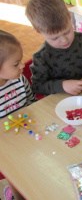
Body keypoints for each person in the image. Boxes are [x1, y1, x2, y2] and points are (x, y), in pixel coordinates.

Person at [25, 0, 82, 96]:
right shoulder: (41, 57)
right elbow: (37, 86)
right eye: (55, 38)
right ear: (38, 31)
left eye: (67, 32)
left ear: (69, 17)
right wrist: (62, 86)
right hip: (63, 101)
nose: (64, 40)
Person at [0, 30, 34, 200]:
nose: (22, 66)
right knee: (15, 174)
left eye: (21, 61)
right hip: (5, 147)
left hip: (27, 136)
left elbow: (32, 103)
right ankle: (13, 193)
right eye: (16, 64)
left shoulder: (19, 80)